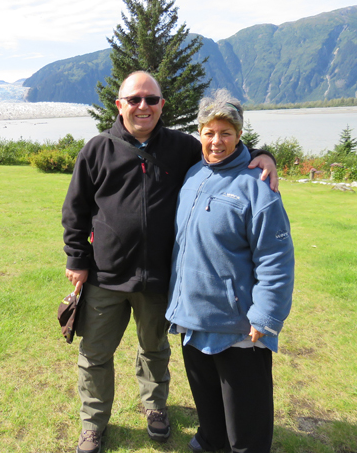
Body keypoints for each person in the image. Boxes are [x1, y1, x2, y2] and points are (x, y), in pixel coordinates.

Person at [62, 71, 278, 453]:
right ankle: (93, 424)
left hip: (160, 278)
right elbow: (75, 209)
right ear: (120, 105)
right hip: (105, 277)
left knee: (155, 349)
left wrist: (264, 155)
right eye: (134, 99)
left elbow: (222, 145)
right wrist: (77, 259)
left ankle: (155, 407)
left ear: (162, 105)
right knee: (94, 355)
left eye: (151, 99)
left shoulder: (183, 147)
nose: (143, 106)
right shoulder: (96, 149)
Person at [166, 96, 294, 453]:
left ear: (239, 135)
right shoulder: (193, 174)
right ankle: (210, 442)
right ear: (199, 133)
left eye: (226, 133)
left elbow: (276, 257)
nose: (216, 141)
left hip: (238, 326)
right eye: (209, 133)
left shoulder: (258, 185)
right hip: (193, 316)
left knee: (246, 422)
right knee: (208, 405)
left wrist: (266, 315)